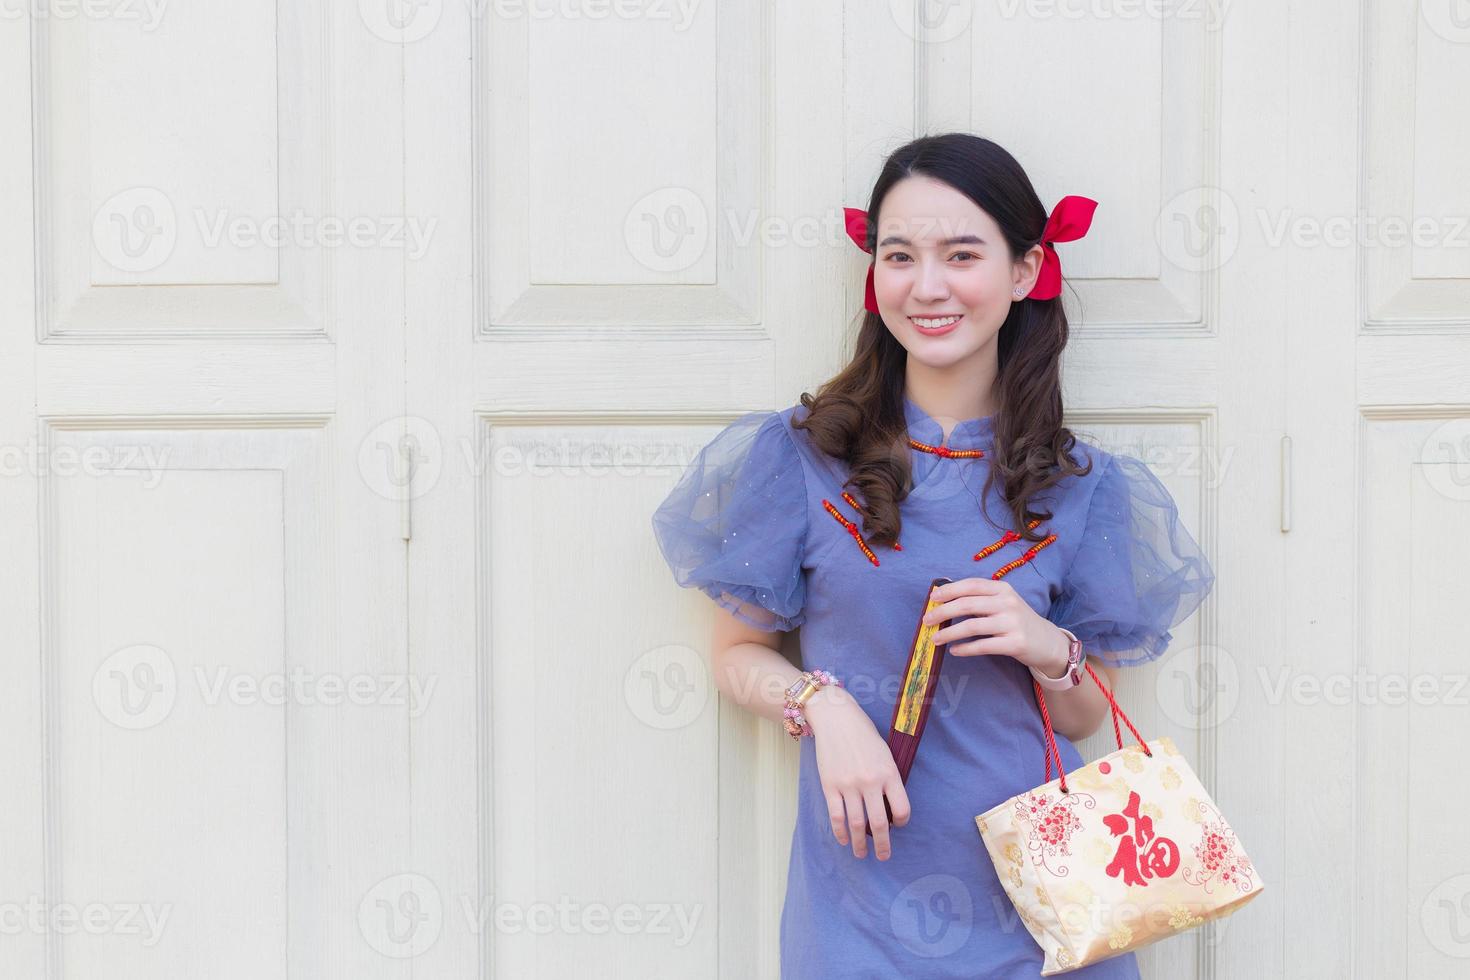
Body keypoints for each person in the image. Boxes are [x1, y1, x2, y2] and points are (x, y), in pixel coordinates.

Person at [650, 132, 1214, 978]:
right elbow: (735, 656)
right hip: (859, 914)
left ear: (1025, 271)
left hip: (1051, 919)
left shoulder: (1086, 487)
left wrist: (1041, 642)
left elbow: (1085, 715)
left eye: (961, 254)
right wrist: (823, 706)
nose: (928, 286)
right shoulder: (800, 458)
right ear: (874, 273)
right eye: (899, 255)